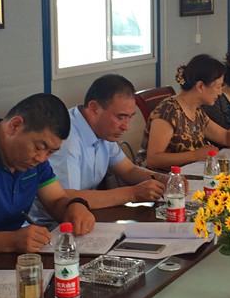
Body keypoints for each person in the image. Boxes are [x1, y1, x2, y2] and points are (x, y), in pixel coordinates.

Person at [0, 94, 95, 256]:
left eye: (50, 152)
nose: (42, 158)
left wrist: (74, 206)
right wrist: (11, 241)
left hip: (13, 256)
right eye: (39, 147)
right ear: (15, 126)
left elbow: (56, 200)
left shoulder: (32, 161)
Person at [32, 75, 166, 212]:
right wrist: (132, 193)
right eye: (120, 117)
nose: (126, 126)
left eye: (130, 117)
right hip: (54, 221)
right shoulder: (67, 139)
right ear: (94, 107)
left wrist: (165, 180)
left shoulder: (103, 130)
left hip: (87, 212)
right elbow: (67, 197)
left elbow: (128, 170)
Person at [142, 55, 230, 170]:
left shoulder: (197, 111)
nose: (220, 93)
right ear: (200, 86)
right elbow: (153, 159)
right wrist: (195, 155)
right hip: (165, 179)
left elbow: (225, 137)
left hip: (191, 173)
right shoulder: (168, 111)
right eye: (218, 87)